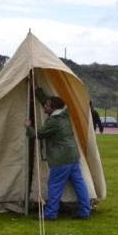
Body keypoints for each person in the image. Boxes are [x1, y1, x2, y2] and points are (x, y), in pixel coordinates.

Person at [25, 88, 91, 220]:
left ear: (53, 108)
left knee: (54, 185)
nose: (44, 106)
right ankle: (84, 211)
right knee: (79, 184)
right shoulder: (64, 113)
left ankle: (50, 214)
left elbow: (39, 134)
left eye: (47, 106)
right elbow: (51, 103)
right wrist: (38, 91)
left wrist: (28, 127)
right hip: (72, 154)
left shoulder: (53, 121)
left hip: (61, 158)